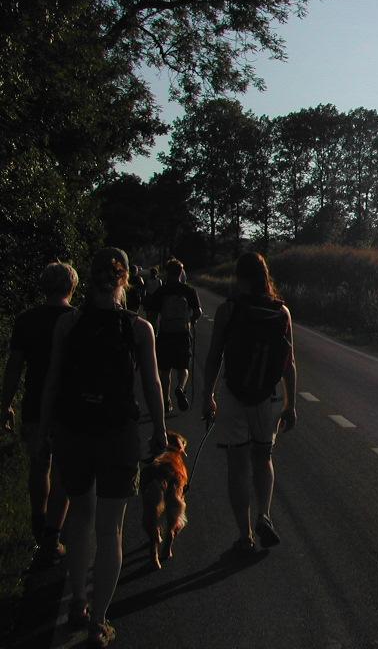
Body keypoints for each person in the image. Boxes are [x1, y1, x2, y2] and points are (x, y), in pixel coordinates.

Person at [38, 247, 167, 647]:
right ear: (125, 278)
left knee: (80, 519)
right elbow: (152, 384)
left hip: (74, 432)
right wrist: (160, 430)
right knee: (111, 530)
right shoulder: (138, 328)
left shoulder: (69, 323)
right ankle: (99, 622)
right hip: (118, 436)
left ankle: (77, 601)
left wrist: (45, 431)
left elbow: (53, 380)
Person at [202, 252, 296, 554]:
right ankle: (264, 515)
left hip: (234, 394)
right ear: (265, 276)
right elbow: (289, 364)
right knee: (263, 456)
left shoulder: (228, 310)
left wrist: (207, 395)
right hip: (269, 395)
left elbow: (214, 357)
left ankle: (245, 536)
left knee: (238, 464)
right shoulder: (281, 312)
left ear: (239, 278)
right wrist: (291, 404)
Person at [1, 262, 77, 565]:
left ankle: (38, 520)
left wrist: (5, 403)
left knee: (39, 464)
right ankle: (52, 536)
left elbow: (14, 367)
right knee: (63, 471)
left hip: (34, 402)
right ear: (72, 287)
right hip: (69, 406)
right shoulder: (77, 320)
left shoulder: (26, 320)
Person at [148, 259, 202, 413]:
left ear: (167, 272)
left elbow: (153, 314)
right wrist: (191, 321)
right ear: (180, 273)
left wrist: (153, 332)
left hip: (165, 334)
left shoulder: (162, 291)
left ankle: (166, 401)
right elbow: (198, 312)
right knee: (183, 367)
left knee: (165, 370)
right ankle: (180, 388)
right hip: (182, 333)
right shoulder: (189, 290)